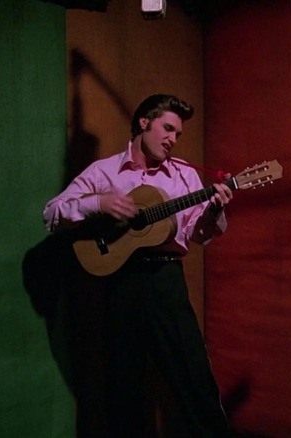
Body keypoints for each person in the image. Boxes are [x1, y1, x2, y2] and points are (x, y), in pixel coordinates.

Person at [42, 94, 233, 437]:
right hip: (121, 282)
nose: (173, 139)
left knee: (194, 377)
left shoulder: (185, 175)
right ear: (144, 122)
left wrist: (215, 209)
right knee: (123, 385)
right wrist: (98, 203)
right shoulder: (103, 172)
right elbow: (52, 213)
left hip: (166, 280)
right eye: (168, 128)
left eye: (178, 134)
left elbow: (198, 234)